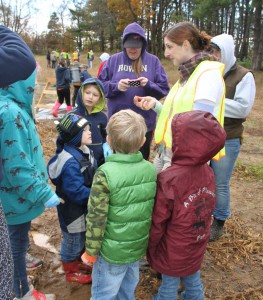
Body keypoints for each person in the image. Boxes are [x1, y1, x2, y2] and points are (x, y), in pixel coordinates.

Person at [0, 25, 59, 300]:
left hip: (14, 203)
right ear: (15, 82)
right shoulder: (9, 113)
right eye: (31, 80)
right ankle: (21, 292)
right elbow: (17, 168)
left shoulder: (12, 105)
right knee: (13, 249)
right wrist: (44, 193)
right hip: (15, 202)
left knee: (16, 245)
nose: (35, 84)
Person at [147, 110, 226, 300]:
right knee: (192, 277)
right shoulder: (207, 172)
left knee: (170, 283)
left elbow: (159, 219)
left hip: (172, 246)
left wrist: (152, 245)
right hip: (197, 240)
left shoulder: (169, 178)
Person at [81, 109, 157, 299]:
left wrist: (91, 251)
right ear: (142, 141)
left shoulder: (105, 173)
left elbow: (96, 217)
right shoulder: (150, 170)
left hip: (111, 253)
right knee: (127, 290)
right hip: (136, 247)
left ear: (108, 140)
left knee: (104, 293)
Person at [134, 21, 226, 172]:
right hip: (166, 151)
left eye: (170, 47)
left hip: (183, 157)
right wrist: (156, 105)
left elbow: (200, 125)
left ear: (185, 45)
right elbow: (178, 116)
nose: (166, 53)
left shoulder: (207, 74)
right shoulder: (187, 74)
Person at [99, 22, 170, 160]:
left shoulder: (153, 61)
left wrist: (148, 85)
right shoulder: (113, 60)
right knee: (117, 162)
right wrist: (116, 87)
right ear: (124, 44)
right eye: (129, 47)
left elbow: (164, 89)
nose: (132, 50)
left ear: (143, 45)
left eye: (136, 47)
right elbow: (99, 87)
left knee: (140, 161)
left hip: (143, 127)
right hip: (117, 125)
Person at [209, 34, 256, 241]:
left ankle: (218, 222)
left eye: (217, 51)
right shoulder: (212, 72)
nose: (214, 55)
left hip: (228, 138)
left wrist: (215, 101)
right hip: (206, 136)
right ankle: (202, 216)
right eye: (211, 51)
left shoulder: (244, 76)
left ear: (227, 51)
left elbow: (243, 108)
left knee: (220, 182)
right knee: (204, 179)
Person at [47, 113, 96, 284]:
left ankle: (78, 262)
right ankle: (70, 270)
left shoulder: (83, 151)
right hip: (72, 211)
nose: (90, 133)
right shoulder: (70, 162)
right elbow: (75, 191)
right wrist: (97, 195)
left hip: (82, 207)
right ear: (75, 137)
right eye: (86, 130)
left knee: (81, 236)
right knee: (73, 240)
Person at [73, 78, 108, 167]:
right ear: (81, 92)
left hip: (99, 160)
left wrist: (106, 145)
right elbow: (63, 139)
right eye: (87, 93)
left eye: (95, 95)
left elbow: (106, 135)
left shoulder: (102, 117)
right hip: (78, 161)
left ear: (100, 98)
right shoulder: (73, 116)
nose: (90, 97)